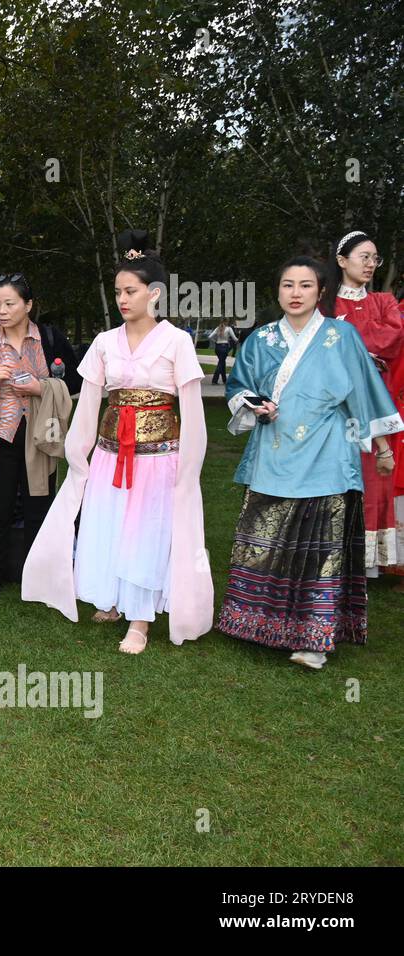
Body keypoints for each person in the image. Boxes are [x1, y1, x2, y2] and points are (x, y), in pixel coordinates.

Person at [22, 230, 212, 653]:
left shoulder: (177, 341)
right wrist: (79, 453)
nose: (123, 299)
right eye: (118, 292)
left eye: (131, 291)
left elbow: (193, 413)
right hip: (110, 454)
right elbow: (88, 402)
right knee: (106, 525)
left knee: (145, 530)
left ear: (155, 294)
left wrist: (189, 468)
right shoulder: (106, 342)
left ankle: (140, 620)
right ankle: (111, 597)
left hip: (158, 457)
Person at [216, 255, 403, 669]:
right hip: (274, 451)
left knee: (321, 548)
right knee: (264, 543)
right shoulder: (261, 339)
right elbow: (239, 386)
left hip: (328, 453)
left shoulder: (342, 336)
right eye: (287, 285)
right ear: (278, 291)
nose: (295, 293)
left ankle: (313, 640)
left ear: (322, 291)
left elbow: (363, 392)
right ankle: (257, 622)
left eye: (304, 285)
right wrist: (253, 404)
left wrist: (383, 448)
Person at [0, 273, 81, 597]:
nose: (2, 310)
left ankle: (36, 572)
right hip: (0, 438)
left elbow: (78, 381)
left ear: (28, 305)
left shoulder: (50, 340)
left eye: (9, 303)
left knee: (40, 505)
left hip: (42, 437)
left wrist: (41, 387)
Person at [325, 230, 404, 578]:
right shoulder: (326, 303)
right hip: (333, 406)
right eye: (364, 257)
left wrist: (350, 334)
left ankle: (365, 565)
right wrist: (360, 342)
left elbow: (391, 338)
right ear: (342, 261)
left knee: (372, 478)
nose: (371, 264)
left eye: (376, 258)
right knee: (333, 478)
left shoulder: (384, 301)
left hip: (375, 404)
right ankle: (329, 557)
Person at [206, 319, 238, 385]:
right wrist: (240, 340)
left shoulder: (217, 328)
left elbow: (209, 337)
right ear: (226, 322)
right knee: (221, 363)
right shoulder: (229, 329)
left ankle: (224, 380)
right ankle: (214, 380)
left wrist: (215, 341)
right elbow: (235, 338)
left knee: (222, 362)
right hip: (224, 347)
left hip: (217, 347)